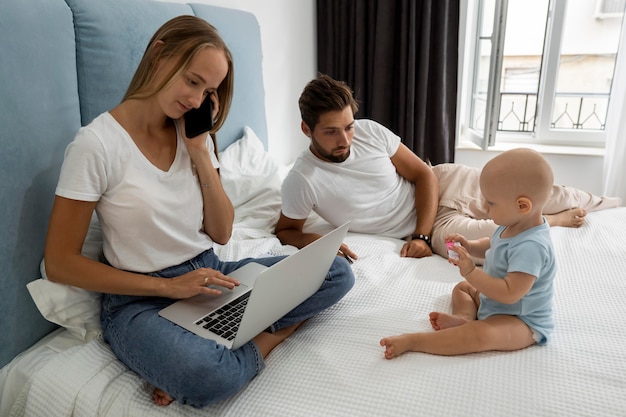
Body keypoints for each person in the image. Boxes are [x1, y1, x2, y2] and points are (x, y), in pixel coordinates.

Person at [43, 16, 354, 408]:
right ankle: (244, 343)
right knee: (210, 376)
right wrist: (168, 287)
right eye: (192, 81)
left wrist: (199, 152)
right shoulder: (96, 145)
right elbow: (60, 263)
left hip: (209, 275)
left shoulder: (191, 133)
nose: (195, 100)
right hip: (139, 302)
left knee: (336, 271)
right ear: (160, 55)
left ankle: (256, 338)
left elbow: (223, 233)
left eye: (207, 90)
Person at [275, 74, 622, 261]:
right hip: (428, 224)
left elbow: (423, 174)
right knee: (490, 243)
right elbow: (287, 230)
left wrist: (421, 237)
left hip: (441, 184)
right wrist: (317, 242)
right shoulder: (302, 180)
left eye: (348, 126)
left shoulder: (369, 131)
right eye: (331, 132)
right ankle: (554, 222)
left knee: (546, 192)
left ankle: (616, 203)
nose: (346, 139)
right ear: (307, 129)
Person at [380, 148, 557, 358]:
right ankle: (465, 317)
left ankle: (414, 341)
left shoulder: (532, 246)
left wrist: (471, 271)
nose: (483, 206)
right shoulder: (513, 224)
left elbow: (510, 293)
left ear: (522, 205)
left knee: (479, 334)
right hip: (494, 301)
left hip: (520, 318)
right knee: (463, 289)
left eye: (490, 203)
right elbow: (492, 244)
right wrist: (470, 246)